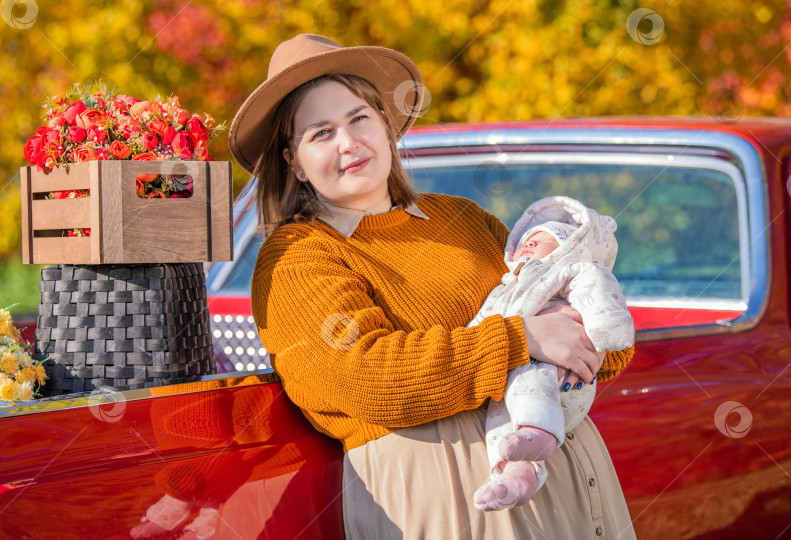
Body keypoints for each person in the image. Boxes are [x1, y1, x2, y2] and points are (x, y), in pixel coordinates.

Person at [229, 33, 637, 539]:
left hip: (577, 486)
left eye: (359, 119)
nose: (349, 143)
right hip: (448, 505)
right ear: (293, 161)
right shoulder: (298, 256)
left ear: (385, 124)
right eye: (321, 133)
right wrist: (520, 340)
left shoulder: (463, 219)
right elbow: (358, 377)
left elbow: (575, 319)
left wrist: (592, 336)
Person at [467, 196, 635, 512]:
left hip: (560, 375)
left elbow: (596, 286)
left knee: (533, 377)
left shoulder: (569, 270)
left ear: (565, 249)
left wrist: (600, 335)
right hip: (515, 371)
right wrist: (475, 343)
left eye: (542, 241)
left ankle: (539, 432)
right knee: (501, 418)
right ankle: (517, 474)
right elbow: (483, 322)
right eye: (526, 242)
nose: (529, 246)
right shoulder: (506, 287)